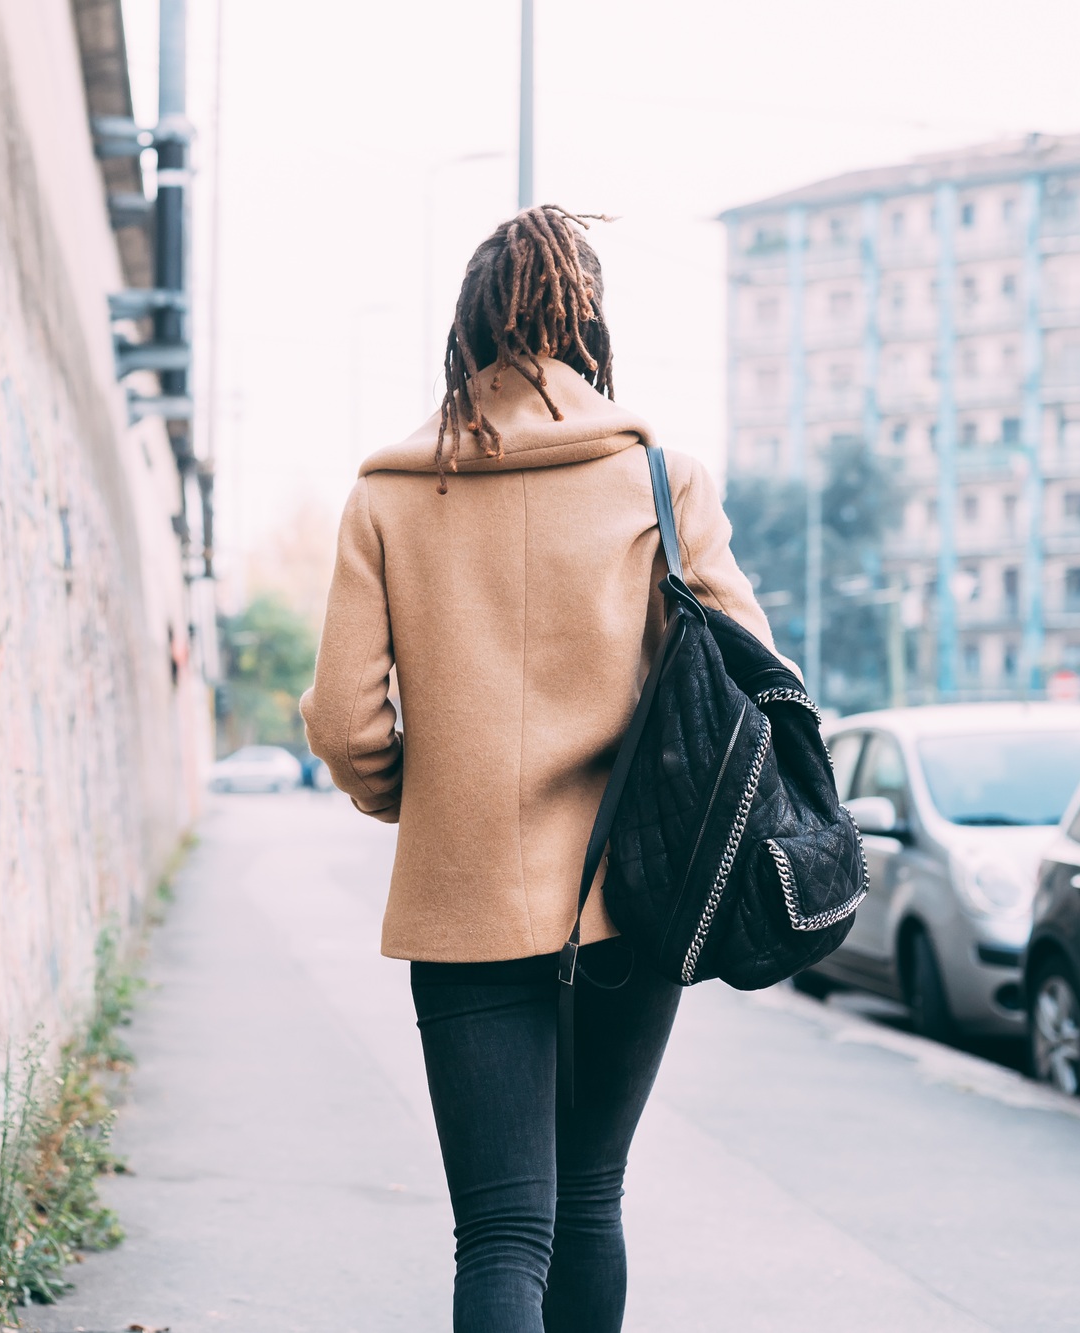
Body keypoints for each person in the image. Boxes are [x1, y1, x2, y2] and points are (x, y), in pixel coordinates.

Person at [300, 206, 781, 1333]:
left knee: (502, 1231)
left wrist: (409, 798)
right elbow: (757, 677)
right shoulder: (661, 483)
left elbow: (338, 718)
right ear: (585, 325)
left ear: (464, 331)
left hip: (461, 903)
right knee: (591, 1194)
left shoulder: (384, 493)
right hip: (631, 898)